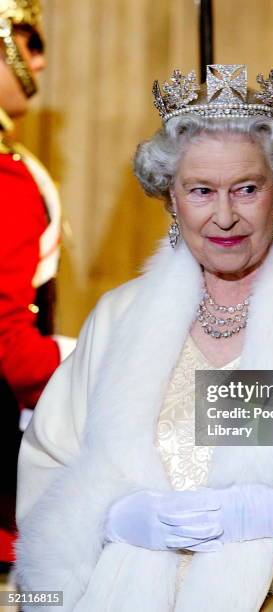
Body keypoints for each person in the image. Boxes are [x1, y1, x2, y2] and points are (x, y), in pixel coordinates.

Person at [14, 64, 273, 611]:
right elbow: (51, 466)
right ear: (170, 198)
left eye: (246, 189)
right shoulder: (118, 321)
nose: (224, 217)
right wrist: (108, 516)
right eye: (201, 191)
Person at [0, 0, 75, 571]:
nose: (40, 63)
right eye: (30, 42)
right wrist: (88, 360)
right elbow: (13, 353)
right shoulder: (9, 180)